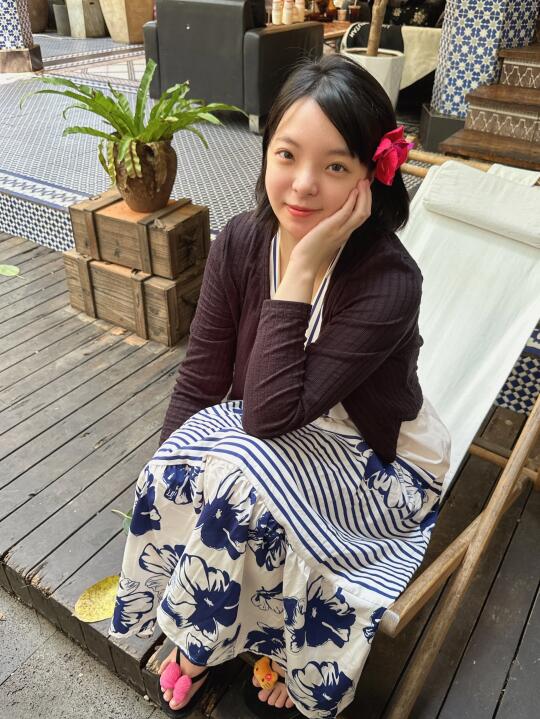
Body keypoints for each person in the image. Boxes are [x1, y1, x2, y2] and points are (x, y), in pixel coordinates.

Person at [109, 54, 451, 719]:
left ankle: (257, 650)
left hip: (375, 463)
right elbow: (201, 380)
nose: (302, 185)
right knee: (196, 456)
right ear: (266, 151)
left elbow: (266, 414)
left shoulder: (388, 280)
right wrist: (171, 484)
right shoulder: (242, 240)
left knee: (243, 472)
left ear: (371, 178)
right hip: (276, 437)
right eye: (287, 155)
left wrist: (301, 272)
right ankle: (226, 629)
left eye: (336, 166)